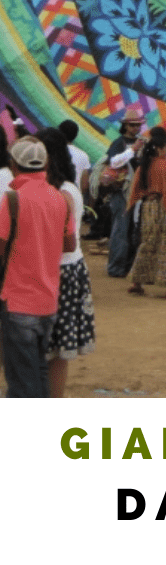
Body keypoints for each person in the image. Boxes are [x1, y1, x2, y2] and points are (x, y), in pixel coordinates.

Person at [0, 137, 76, 397]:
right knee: (39, 372)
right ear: (45, 164)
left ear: (14, 165)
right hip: (48, 300)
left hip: (18, 300)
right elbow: (69, 244)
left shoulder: (12, 200)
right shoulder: (60, 199)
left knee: (21, 381)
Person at [36, 127, 95, 397]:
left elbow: (65, 241)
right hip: (64, 268)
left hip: (58, 270)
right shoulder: (64, 188)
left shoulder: (61, 192)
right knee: (52, 347)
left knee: (55, 347)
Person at [127, 126, 166, 299]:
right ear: (160, 148)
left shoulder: (144, 165)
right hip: (162, 207)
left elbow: (135, 188)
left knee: (147, 243)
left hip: (147, 208)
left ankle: (137, 282)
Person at [102, 105, 146, 277]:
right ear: (126, 126)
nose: (136, 128)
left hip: (136, 192)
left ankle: (127, 266)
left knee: (131, 230)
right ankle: (116, 268)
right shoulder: (119, 143)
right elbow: (113, 162)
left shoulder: (138, 142)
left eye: (138, 125)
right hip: (121, 193)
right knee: (121, 230)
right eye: (133, 125)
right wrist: (133, 149)